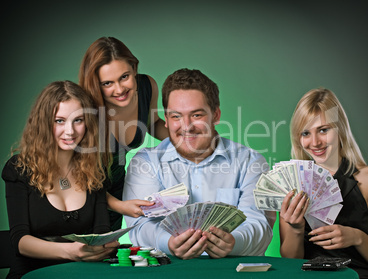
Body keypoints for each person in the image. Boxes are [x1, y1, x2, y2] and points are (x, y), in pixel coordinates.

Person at [123, 68, 275, 259]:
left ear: (216, 115)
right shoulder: (145, 163)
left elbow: (260, 224)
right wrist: (168, 243)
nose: (186, 126)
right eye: (176, 116)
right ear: (167, 120)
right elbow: (139, 226)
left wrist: (234, 242)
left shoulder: (251, 162)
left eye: (196, 115)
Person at [2, 81, 120, 279]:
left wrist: (108, 245)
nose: (70, 131)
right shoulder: (18, 168)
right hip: (32, 274)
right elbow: (20, 241)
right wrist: (70, 252)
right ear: (43, 123)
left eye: (78, 120)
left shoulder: (94, 169)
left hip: (84, 274)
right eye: (59, 121)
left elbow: (102, 232)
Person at [279, 88, 368, 278]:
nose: (315, 142)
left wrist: (357, 238)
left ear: (340, 129)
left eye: (323, 130)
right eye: (305, 133)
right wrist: (295, 228)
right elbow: (291, 263)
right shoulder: (292, 183)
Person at [79, 37, 169, 230]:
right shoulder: (83, 108)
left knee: (110, 254)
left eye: (124, 77)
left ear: (134, 69)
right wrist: (119, 206)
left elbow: (152, 122)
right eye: (107, 83)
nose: (119, 89)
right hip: (83, 196)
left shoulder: (147, 86)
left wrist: (188, 139)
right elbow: (74, 177)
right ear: (95, 83)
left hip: (118, 187)